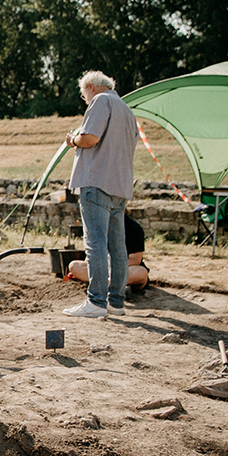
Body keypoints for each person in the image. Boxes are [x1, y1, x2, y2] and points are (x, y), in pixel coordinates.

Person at [62, 71, 139, 318]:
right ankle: (117, 301)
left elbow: (90, 138)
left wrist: (73, 140)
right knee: (118, 247)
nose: (85, 100)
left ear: (92, 87)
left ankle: (96, 301)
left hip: (97, 181)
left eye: (84, 95)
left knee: (95, 244)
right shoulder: (127, 110)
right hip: (120, 185)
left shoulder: (100, 101)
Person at [67, 214, 149, 291]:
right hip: (102, 269)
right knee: (74, 266)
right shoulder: (98, 227)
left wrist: (111, 269)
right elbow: (91, 255)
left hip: (122, 270)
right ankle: (108, 285)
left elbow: (135, 260)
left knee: (141, 272)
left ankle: (106, 285)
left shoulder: (133, 228)